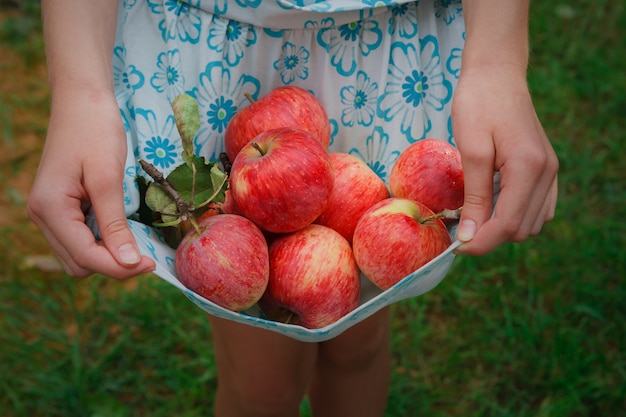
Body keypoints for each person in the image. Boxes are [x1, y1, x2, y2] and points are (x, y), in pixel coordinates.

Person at [27, 0, 558, 416]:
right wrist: (79, 92)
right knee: (262, 383)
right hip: (225, 43)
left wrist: (497, 63)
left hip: (385, 48)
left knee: (361, 340)